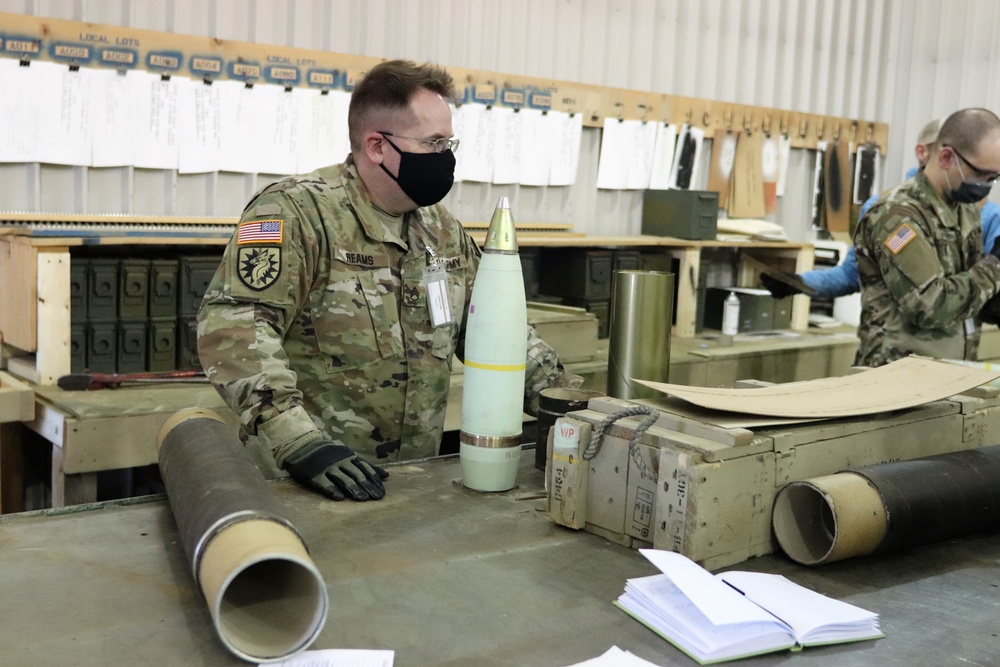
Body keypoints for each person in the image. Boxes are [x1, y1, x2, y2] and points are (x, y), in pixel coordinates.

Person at [197, 60, 582, 502]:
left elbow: (495, 329)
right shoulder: (297, 213)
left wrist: (569, 406)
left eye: (449, 142)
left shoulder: (440, 229)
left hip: (410, 484)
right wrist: (298, 442)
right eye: (434, 143)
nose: (446, 157)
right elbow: (235, 328)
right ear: (377, 146)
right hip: (309, 481)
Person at [761, 119, 1000, 300]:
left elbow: (987, 286)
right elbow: (853, 274)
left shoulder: (982, 215)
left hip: (955, 352)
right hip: (893, 353)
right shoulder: (886, 210)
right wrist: (802, 283)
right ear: (924, 152)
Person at [853, 108, 1000, 367]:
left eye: (994, 178)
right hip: (896, 376)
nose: (985, 185)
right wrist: (994, 267)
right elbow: (930, 305)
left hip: (948, 372)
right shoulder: (896, 217)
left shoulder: (964, 210)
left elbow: (969, 293)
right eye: (980, 174)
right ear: (946, 157)